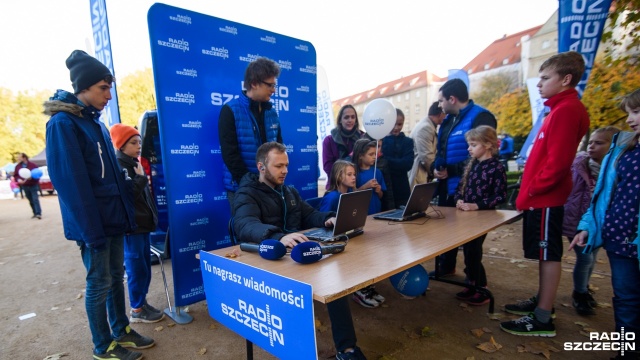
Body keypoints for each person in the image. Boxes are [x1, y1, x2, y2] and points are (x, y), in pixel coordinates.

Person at [44, 49, 154, 360]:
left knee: (115, 276)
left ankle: (121, 330)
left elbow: (114, 179)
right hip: (94, 225)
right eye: (103, 88)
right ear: (84, 87)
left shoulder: (97, 124)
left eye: (109, 88)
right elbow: (72, 186)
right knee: (99, 282)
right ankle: (102, 345)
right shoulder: (63, 124)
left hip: (113, 219)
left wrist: (127, 217)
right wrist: (90, 231)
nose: (109, 94)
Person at [233, 142, 367, 360]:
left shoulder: (289, 191)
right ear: (261, 167)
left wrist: (329, 218)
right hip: (271, 261)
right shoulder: (246, 194)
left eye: (286, 165)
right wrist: (279, 237)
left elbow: (310, 215)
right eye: (278, 166)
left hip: (297, 255)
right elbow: (245, 224)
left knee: (335, 281)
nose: (285, 170)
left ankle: (347, 350)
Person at [500, 51, 590, 338]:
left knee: (549, 254)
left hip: (547, 198)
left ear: (565, 79)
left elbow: (558, 164)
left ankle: (542, 317)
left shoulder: (567, 111)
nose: (538, 84)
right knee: (543, 253)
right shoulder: (558, 110)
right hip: (542, 198)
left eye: (545, 78)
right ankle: (543, 302)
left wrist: (532, 190)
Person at [570, 89, 640, 359]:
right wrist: (589, 225)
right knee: (625, 300)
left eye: (636, 112)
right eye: (629, 113)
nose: (630, 119)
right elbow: (602, 195)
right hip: (620, 239)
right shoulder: (623, 149)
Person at [431, 78, 497, 277]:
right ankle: (446, 266)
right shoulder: (448, 121)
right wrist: (437, 166)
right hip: (449, 187)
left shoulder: (481, 117)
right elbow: (441, 150)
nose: (439, 105)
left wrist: (452, 170)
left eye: (441, 100)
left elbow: (487, 155)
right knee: (447, 232)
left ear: (452, 99)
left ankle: (477, 283)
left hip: (473, 190)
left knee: (471, 242)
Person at [109, 124, 164, 324]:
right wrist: (140, 177)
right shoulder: (119, 166)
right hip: (132, 229)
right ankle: (137, 309)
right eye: (133, 143)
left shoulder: (133, 163)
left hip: (142, 226)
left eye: (139, 142)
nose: (138, 146)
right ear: (121, 145)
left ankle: (142, 302)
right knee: (135, 268)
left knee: (143, 267)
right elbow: (127, 196)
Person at [563, 126, 620, 316]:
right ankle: (579, 293)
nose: (592, 146)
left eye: (599, 142)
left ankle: (584, 288)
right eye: (591, 142)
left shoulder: (614, 169)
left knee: (592, 257)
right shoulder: (578, 165)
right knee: (585, 257)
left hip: (599, 223)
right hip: (577, 221)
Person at [218, 57, 282, 211]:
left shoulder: (272, 112)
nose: (274, 90)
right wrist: (250, 184)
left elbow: (279, 148)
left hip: (271, 187)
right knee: (247, 233)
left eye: (275, 85)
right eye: (270, 85)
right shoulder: (230, 110)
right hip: (242, 189)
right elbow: (230, 154)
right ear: (254, 83)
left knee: (272, 232)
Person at [453, 126, 507, 305]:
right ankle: (472, 282)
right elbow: (460, 188)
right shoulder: (472, 165)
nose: (469, 148)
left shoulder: (496, 167)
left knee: (474, 251)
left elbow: (500, 195)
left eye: (473, 144)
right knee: (468, 251)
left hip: (483, 218)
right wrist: (459, 199)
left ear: (488, 144)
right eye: (469, 144)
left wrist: (477, 205)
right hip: (466, 217)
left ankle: (482, 287)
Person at [350, 138, 387, 308]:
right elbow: (352, 195)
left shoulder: (377, 172)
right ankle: (360, 288)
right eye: (371, 154)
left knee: (374, 253)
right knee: (361, 254)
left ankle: (369, 286)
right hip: (361, 217)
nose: (375, 157)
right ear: (360, 156)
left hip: (375, 214)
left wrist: (379, 191)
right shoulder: (353, 173)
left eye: (376, 153)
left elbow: (381, 195)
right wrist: (365, 185)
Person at [381, 109, 414, 208]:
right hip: (386, 187)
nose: (396, 128)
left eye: (399, 124)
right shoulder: (381, 141)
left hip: (402, 188)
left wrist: (387, 161)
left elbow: (407, 164)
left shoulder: (408, 141)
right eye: (393, 124)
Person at [322, 105, 365, 179]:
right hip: (336, 184)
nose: (350, 120)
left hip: (359, 183)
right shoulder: (329, 140)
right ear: (340, 120)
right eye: (346, 117)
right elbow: (328, 168)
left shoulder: (363, 137)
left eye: (353, 117)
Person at [409, 102, 445, 187]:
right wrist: (434, 171)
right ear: (440, 114)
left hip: (420, 172)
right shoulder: (426, 127)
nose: (446, 117)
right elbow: (426, 156)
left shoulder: (426, 125)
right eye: (445, 114)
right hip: (419, 173)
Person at [14, 153, 42, 219]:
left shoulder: (32, 165)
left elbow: (37, 173)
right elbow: (16, 175)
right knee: (30, 199)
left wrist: (32, 177)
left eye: (20, 157)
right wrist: (18, 179)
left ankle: (38, 213)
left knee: (35, 199)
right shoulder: (17, 166)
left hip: (33, 184)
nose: (18, 158)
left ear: (24, 157)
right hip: (25, 185)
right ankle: (34, 212)